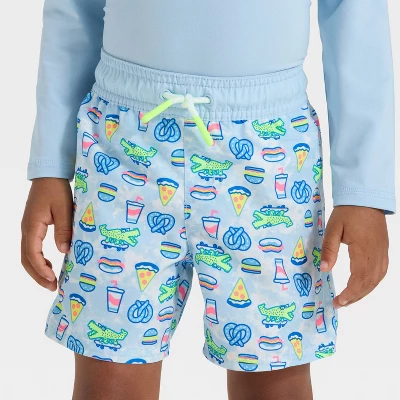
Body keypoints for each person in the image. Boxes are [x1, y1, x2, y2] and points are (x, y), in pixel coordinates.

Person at [21, 1, 395, 399]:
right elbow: (74, 10)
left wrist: (363, 190)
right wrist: (50, 165)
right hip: (122, 149)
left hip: (268, 157)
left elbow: (356, 15)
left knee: (274, 380)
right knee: (110, 381)